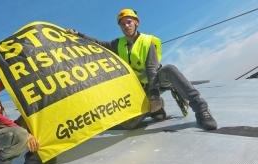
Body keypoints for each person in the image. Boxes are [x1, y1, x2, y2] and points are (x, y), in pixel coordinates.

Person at [67, 9, 217, 130]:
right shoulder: (117, 44)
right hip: (139, 88)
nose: (126, 26)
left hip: (157, 81)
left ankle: (201, 110)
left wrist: (154, 96)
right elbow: (98, 44)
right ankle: (157, 111)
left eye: (129, 22)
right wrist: (78, 35)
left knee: (169, 69)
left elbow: (152, 69)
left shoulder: (147, 41)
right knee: (130, 125)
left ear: (136, 23)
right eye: (122, 24)